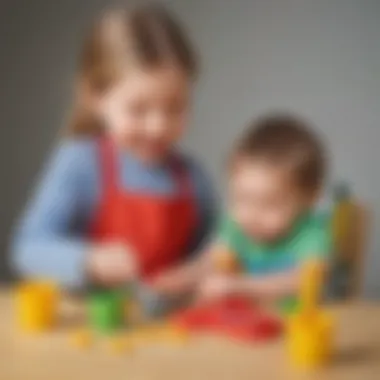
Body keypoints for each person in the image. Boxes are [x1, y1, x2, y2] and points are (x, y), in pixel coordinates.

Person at [11, 4, 216, 308]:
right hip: (91, 334)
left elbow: (219, 252)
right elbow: (26, 250)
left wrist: (200, 271)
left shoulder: (193, 178)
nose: (157, 126)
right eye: (138, 109)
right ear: (97, 98)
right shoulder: (80, 163)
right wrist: (90, 260)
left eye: (175, 107)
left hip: (167, 337)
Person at [159, 113, 331, 310]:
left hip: (295, 326)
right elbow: (211, 260)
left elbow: (306, 280)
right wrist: (182, 277)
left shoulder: (311, 234)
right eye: (242, 198)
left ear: (309, 199)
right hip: (249, 325)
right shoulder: (236, 226)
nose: (252, 215)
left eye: (270, 204)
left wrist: (241, 287)